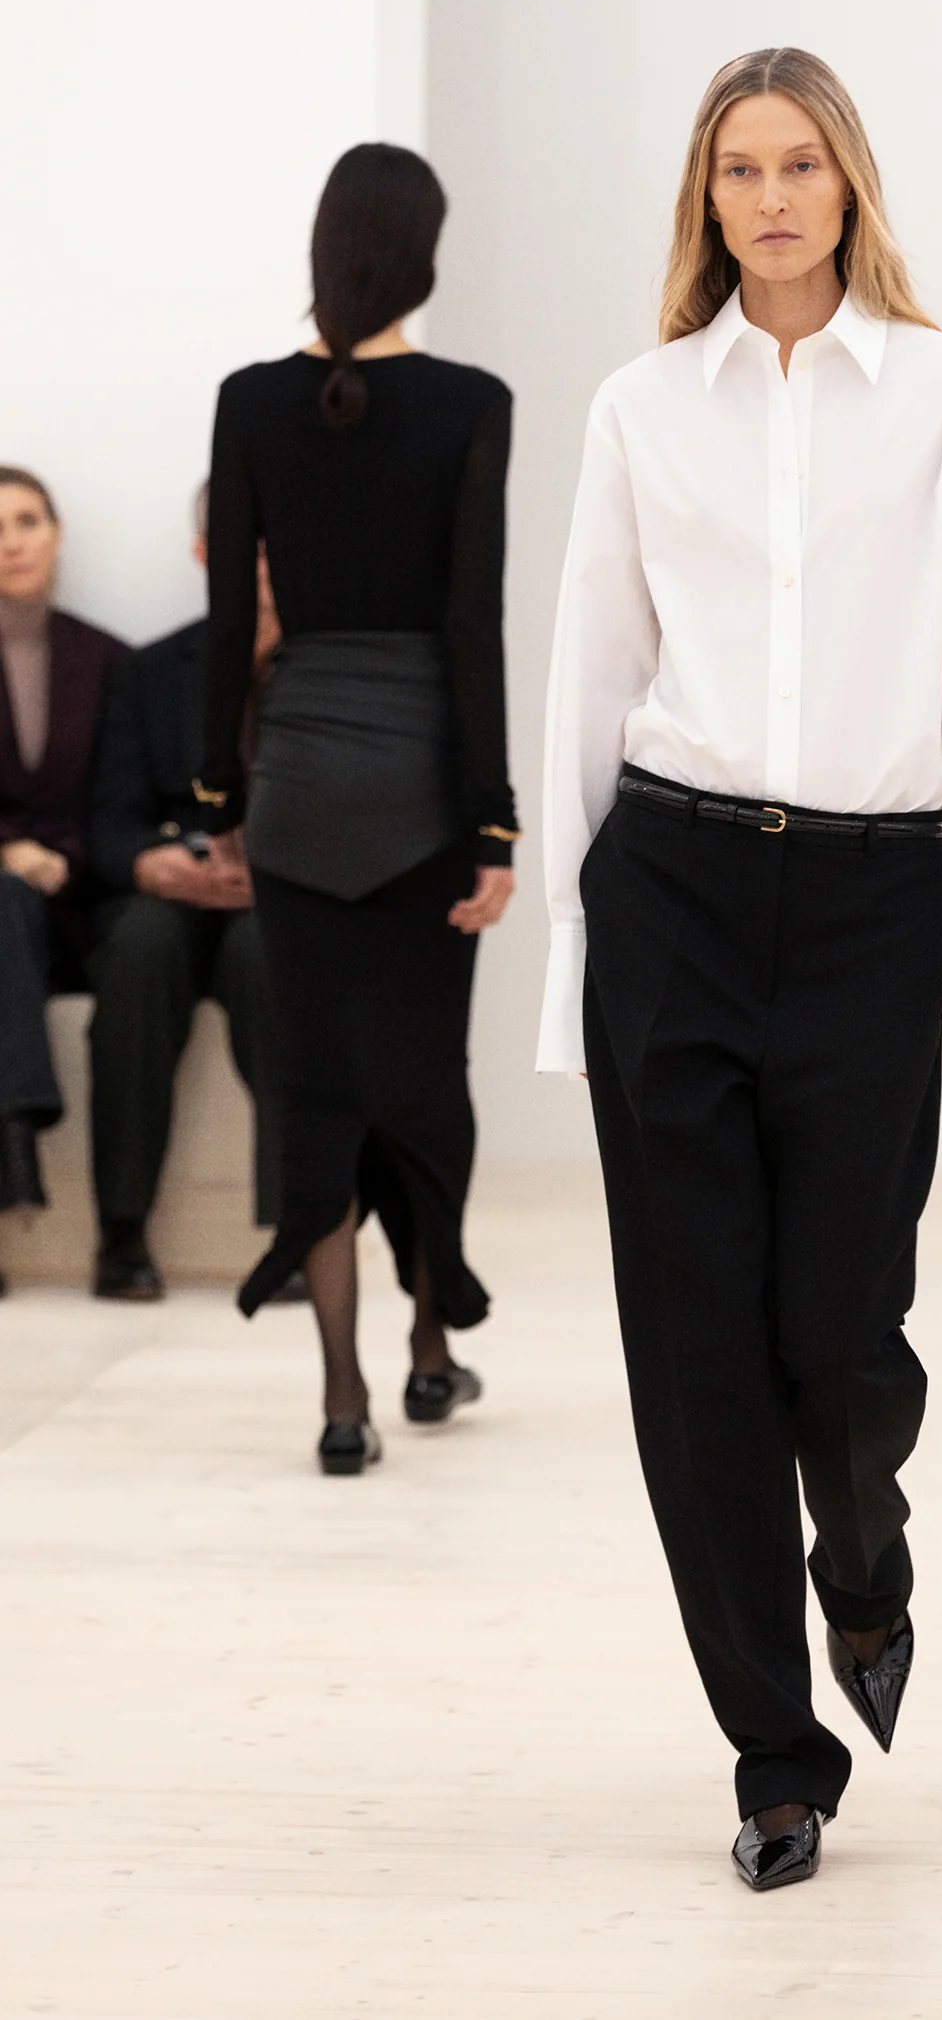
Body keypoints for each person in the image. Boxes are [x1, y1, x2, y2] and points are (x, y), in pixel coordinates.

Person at [538, 50, 942, 1890]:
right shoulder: (639, 410)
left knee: (837, 1332)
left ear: (851, 187)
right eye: (740, 169)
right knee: (695, 1357)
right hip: (670, 895)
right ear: (706, 195)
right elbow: (590, 677)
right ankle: (774, 1753)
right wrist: (574, 974)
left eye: (802, 165)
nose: (771, 198)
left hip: (871, 906)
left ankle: (864, 1551)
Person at [199, 142, 516, 1474]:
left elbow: (231, 626)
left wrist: (222, 794)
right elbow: (472, 626)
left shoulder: (250, 403)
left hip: (297, 790)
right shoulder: (472, 404)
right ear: (424, 256)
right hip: (422, 794)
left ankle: (343, 1400)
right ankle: (431, 1346)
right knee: (424, 1083)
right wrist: (493, 823)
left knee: (318, 1087)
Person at [86, 488, 297, 1302]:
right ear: (205, 555)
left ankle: (295, 1232)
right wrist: (151, 865)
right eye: (246, 542)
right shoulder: (148, 671)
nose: (266, 562)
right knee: (139, 948)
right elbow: (107, 822)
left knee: (269, 951)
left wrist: (275, 870)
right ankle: (121, 1234)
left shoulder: (332, 672)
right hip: (171, 892)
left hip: (280, 898)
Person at [0, 467, 127, 1293]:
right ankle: (13, 1141)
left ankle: (17, 1144)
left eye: (27, 521)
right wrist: (7, 851)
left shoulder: (108, 659)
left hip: (84, 906)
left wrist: (65, 859)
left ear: (57, 534)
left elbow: (124, 794)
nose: (11, 543)